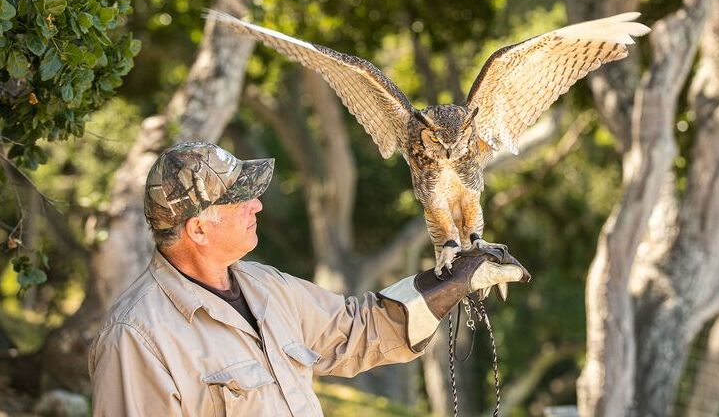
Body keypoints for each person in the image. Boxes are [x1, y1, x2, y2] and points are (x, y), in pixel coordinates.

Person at [88, 141, 530, 416]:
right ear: (198, 228)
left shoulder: (267, 287)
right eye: (239, 200)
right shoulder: (137, 337)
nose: (256, 206)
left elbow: (358, 330)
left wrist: (449, 284)